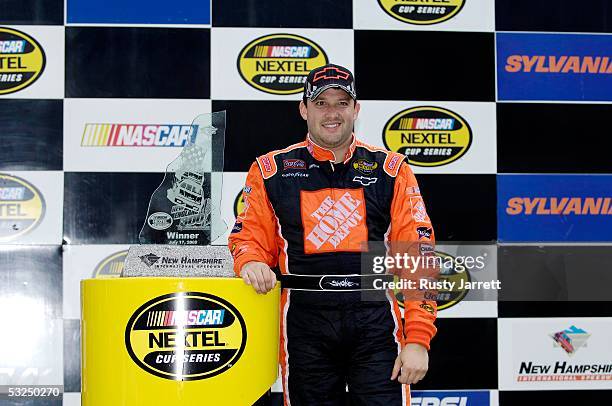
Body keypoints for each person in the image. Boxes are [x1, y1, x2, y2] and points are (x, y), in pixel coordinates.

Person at [228, 63, 437, 405]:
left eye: (341, 103)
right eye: (321, 103)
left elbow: (418, 256)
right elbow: (248, 237)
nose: (332, 113)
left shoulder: (391, 170)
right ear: (303, 109)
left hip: (373, 317)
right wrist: (250, 261)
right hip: (304, 318)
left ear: (356, 109)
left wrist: (417, 338)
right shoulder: (270, 170)